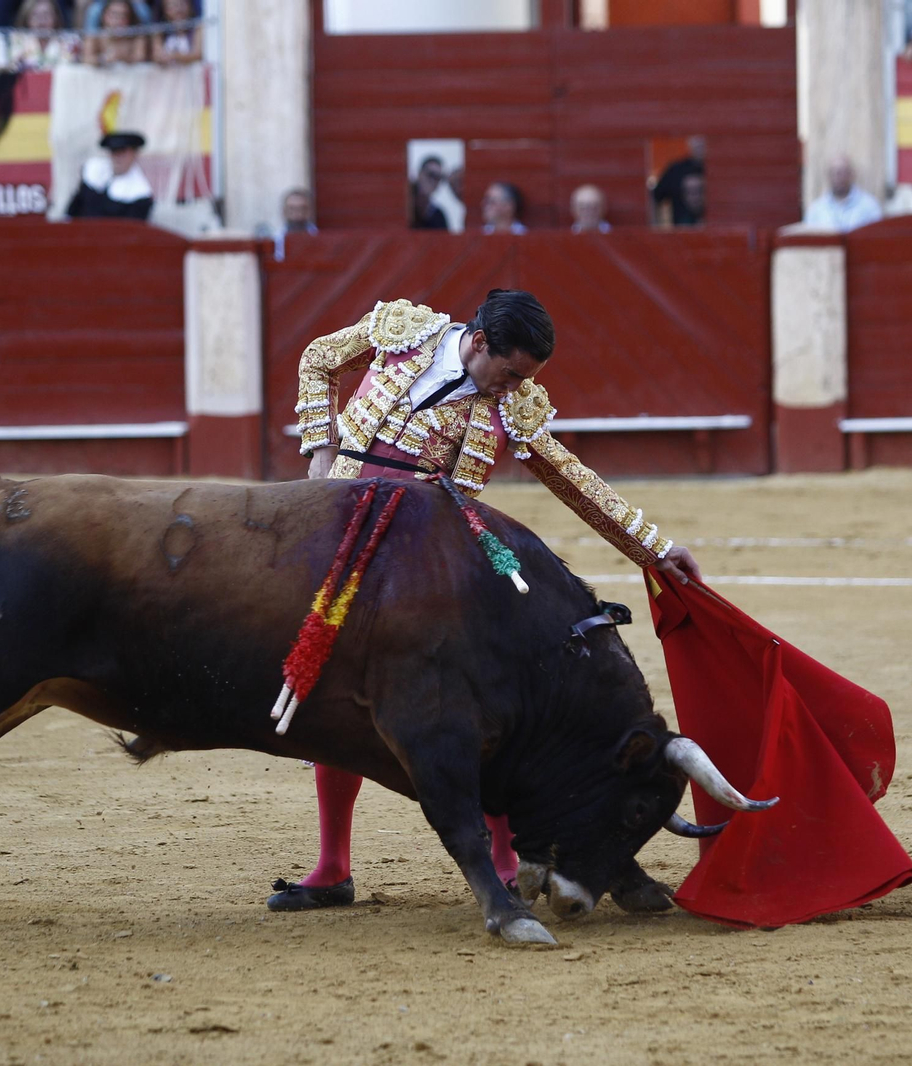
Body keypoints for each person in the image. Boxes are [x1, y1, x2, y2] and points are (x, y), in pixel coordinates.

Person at [277, 289, 704, 912]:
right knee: (330, 695)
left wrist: (651, 547)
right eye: (509, 373)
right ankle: (332, 867)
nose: (513, 388)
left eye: (524, 379)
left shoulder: (514, 406)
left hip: (422, 556)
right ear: (479, 343)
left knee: (478, 702)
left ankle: (506, 864)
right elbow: (318, 358)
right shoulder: (404, 330)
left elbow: (569, 477)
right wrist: (321, 449)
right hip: (341, 533)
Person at [65, 129, 153, 220]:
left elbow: (133, 229)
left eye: (122, 152)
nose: (118, 157)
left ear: (134, 154)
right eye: (114, 152)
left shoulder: (140, 193)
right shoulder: (94, 175)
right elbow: (73, 210)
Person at [802, 154, 883, 233]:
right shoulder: (816, 210)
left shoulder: (869, 206)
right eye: (835, 172)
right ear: (828, 176)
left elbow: (877, 237)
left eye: (843, 172)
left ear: (851, 174)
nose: (839, 177)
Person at [650, 135, 704, 226]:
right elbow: (654, 198)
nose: (700, 143)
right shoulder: (676, 170)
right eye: (696, 139)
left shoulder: (720, 170)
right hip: (682, 231)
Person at [8, 0, 71, 69]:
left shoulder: (68, 42)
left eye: (46, 14)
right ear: (26, 18)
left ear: (56, 17)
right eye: (35, 15)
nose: (41, 21)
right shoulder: (16, 40)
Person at [80, 0, 144, 64]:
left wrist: (123, 57)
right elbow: (86, 58)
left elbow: (140, 58)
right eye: (114, 14)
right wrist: (103, 59)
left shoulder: (136, 36)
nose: (118, 19)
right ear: (105, 16)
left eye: (123, 15)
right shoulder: (95, 36)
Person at [270, 186, 316, 261]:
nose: (297, 213)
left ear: (309, 211)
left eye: (302, 208)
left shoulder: (317, 237)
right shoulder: (274, 239)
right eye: (292, 209)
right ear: (284, 211)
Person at [408, 155, 449, 230]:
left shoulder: (438, 216)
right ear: (419, 174)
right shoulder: (404, 207)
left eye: (438, 178)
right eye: (430, 174)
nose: (433, 181)